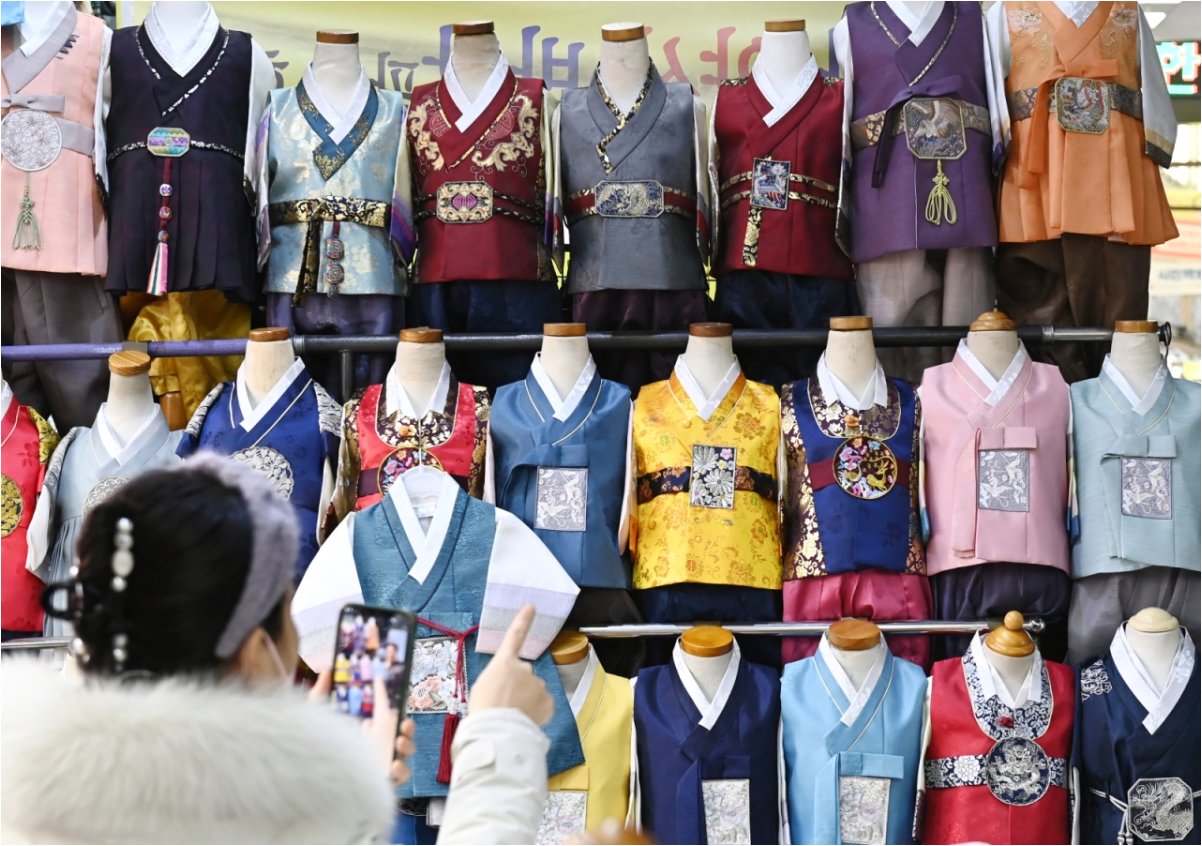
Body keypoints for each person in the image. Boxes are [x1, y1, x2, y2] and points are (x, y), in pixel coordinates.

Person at [0, 454, 411, 843]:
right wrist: (351, 794)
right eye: (287, 609)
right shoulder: (303, 826)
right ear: (257, 654)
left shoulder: (20, 793)